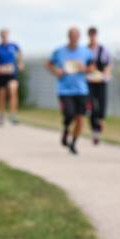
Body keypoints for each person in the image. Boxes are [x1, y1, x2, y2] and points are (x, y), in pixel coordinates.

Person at [47, 26, 95, 155]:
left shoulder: (86, 52)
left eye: (76, 36)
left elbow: (92, 67)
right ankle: (66, 129)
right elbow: (49, 64)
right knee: (69, 114)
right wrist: (56, 71)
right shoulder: (60, 51)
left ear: (79, 37)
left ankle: (73, 143)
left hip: (81, 89)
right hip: (65, 90)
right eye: (71, 36)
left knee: (80, 118)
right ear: (68, 37)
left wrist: (85, 69)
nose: (74, 38)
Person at [85, 26, 112, 145]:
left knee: (101, 106)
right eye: (90, 34)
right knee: (92, 107)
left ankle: (100, 123)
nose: (92, 37)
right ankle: (94, 130)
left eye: (94, 34)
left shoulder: (103, 50)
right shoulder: (85, 50)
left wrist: (105, 73)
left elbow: (108, 64)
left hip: (101, 81)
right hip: (89, 82)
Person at [0, 29, 23, 126]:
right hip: (2, 74)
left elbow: (19, 55)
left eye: (5, 35)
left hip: (12, 73)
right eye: (2, 36)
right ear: (0, 36)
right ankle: (1, 115)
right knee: (2, 96)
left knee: (13, 91)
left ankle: (13, 115)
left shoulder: (13, 46)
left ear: (8, 35)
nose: (4, 37)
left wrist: (20, 63)